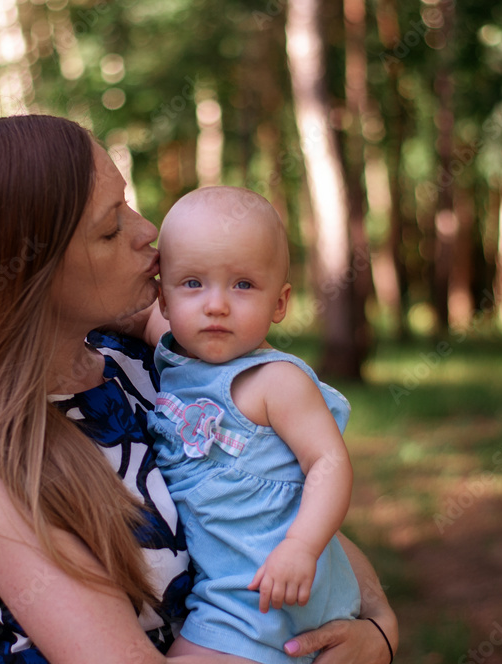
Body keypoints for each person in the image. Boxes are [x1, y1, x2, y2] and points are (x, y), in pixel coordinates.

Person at [0, 114, 397, 664]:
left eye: (128, 204)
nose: (147, 232)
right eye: (110, 228)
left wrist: (378, 628)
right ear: (29, 272)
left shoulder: (148, 362)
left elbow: (270, 500)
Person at [145, 187, 371, 664]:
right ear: (163, 300)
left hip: (268, 590)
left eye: (243, 285)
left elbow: (328, 461)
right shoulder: (175, 357)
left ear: (280, 303)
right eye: (192, 283)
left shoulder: (275, 381)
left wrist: (301, 546)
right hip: (225, 588)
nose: (216, 305)